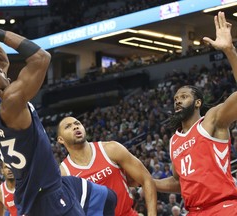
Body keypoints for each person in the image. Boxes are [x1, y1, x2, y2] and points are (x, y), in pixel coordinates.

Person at [0, 23, 117, 215]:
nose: (0, 69)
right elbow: (41, 57)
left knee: (109, 198)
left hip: (40, 187)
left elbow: (1, 62)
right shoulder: (10, 103)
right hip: (47, 196)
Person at [154, 12, 237, 215]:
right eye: (175, 99)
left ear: (198, 102)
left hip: (222, 207)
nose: (178, 101)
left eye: (183, 96)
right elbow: (179, 181)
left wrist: (229, 50)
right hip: (193, 211)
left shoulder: (212, 120)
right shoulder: (174, 141)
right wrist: (149, 181)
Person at [57, 116, 157, 216]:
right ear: (61, 139)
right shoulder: (63, 173)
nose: (75, 127)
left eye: (77, 123)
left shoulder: (111, 149)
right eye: (68, 126)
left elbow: (146, 179)